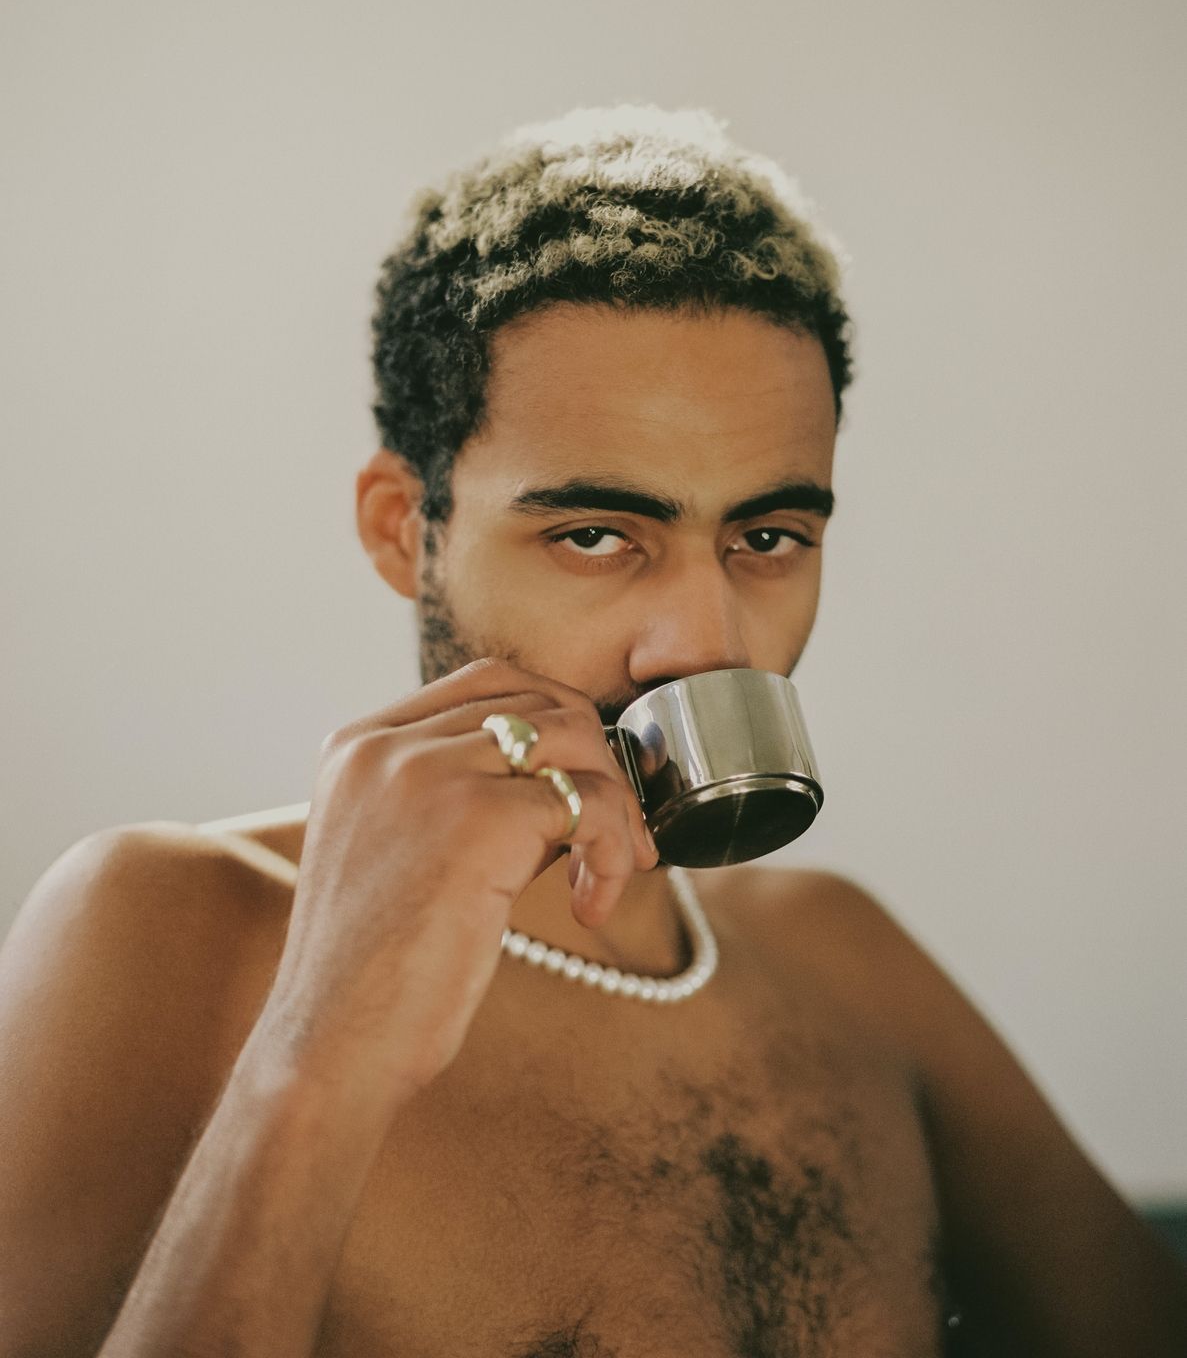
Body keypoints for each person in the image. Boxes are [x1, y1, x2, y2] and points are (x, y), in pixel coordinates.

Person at [0, 106, 1183, 1358]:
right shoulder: (172, 922)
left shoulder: (843, 963)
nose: (701, 642)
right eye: (595, 535)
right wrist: (322, 1045)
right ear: (407, 529)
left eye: (765, 539)